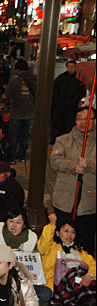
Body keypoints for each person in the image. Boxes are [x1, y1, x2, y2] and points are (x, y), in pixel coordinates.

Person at [50, 106, 96, 255]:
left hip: (89, 202)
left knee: (85, 242)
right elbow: (55, 161)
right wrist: (72, 166)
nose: (83, 122)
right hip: (65, 199)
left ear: (94, 121)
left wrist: (89, 164)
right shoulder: (63, 140)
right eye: (79, 118)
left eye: (88, 118)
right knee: (60, 242)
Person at [37, 213, 96, 306]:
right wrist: (51, 225)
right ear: (57, 233)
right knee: (76, 279)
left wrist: (89, 276)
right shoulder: (52, 248)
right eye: (66, 231)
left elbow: (93, 265)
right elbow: (42, 247)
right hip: (62, 283)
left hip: (80, 280)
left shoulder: (80, 251)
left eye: (73, 232)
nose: (69, 235)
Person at [5, 59, 37, 164]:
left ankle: (13, 157)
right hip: (30, 111)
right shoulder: (34, 78)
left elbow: (8, 94)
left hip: (16, 112)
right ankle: (22, 155)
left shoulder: (15, 80)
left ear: (17, 69)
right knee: (25, 135)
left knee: (14, 136)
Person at [51, 60, 87, 143]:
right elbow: (55, 90)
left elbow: (81, 93)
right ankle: (55, 139)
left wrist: (72, 101)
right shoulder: (61, 78)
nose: (70, 69)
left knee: (69, 124)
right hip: (60, 105)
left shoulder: (79, 79)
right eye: (68, 67)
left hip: (72, 106)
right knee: (57, 124)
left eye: (72, 67)